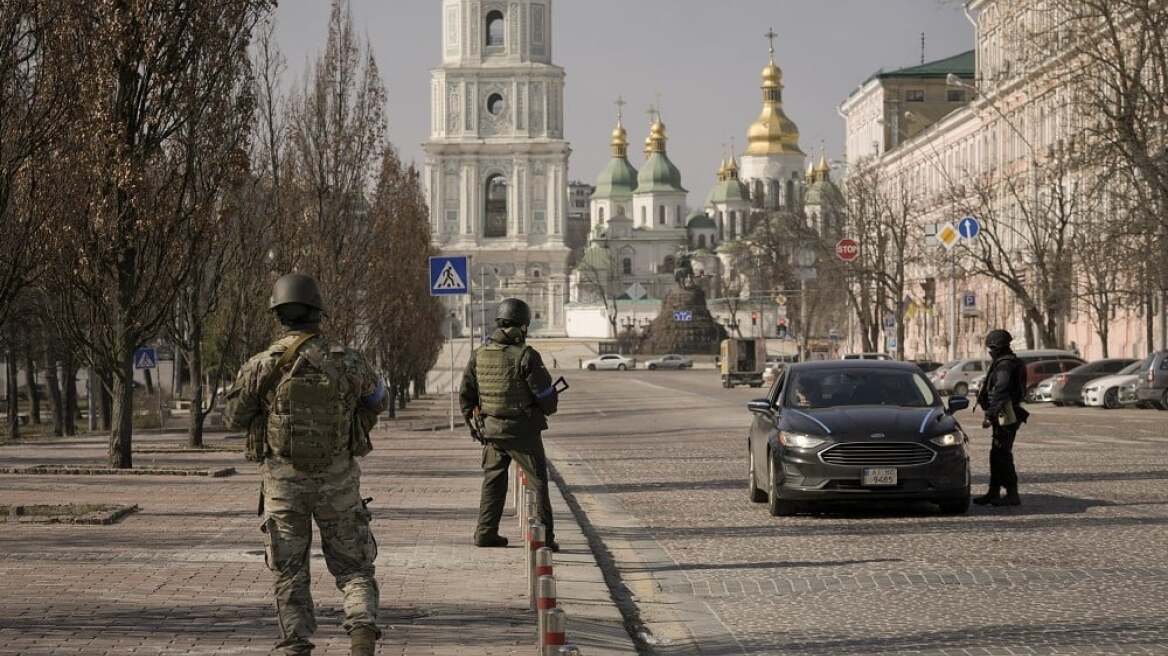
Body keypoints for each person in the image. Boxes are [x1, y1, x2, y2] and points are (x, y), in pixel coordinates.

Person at [226, 273, 388, 656]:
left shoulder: (262, 365)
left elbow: (233, 417)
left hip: (283, 487)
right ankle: (362, 631)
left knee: (289, 571)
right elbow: (378, 399)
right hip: (339, 485)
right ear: (318, 312)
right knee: (355, 568)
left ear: (279, 315)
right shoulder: (348, 361)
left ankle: (296, 644)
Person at [460, 298, 560, 550]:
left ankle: (485, 533)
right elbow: (545, 397)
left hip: (491, 430)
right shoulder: (526, 355)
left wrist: (475, 426)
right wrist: (547, 405)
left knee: (493, 482)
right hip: (523, 432)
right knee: (537, 482)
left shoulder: (479, 354)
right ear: (523, 326)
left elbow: (466, 396)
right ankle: (544, 539)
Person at [974, 329, 1029, 507]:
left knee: (1003, 455)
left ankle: (1012, 494)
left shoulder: (1005, 365)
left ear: (997, 347)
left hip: (1006, 414)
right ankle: (994, 491)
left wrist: (989, 415)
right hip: (1005, 412)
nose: (990, 352)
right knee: (996, 454)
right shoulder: (1008, 362)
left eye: (991, 348)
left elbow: (1001, 390)